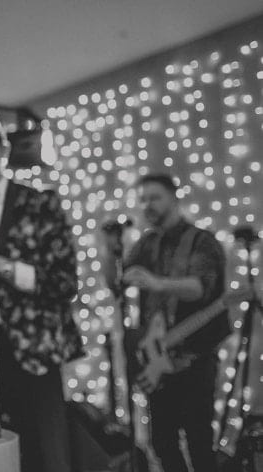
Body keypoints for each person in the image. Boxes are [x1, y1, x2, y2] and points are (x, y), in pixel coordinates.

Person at [0, 113, 82, 472]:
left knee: (44, 449)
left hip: (32, 346)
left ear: (3, 151)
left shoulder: (41, 204)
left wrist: (2, 267)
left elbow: (64, 282)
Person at [121, 173, 228, 472]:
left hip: (194, 358)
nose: (147, 205)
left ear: (174, 197)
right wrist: (107, 249)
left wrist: (158, 283)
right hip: (157, 359)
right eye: (143, 199)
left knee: (198, 442)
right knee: (162, 443)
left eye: (155, 197)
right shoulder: (147, 243)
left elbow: (199, 288)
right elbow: (120, 279)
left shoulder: (202, 242)